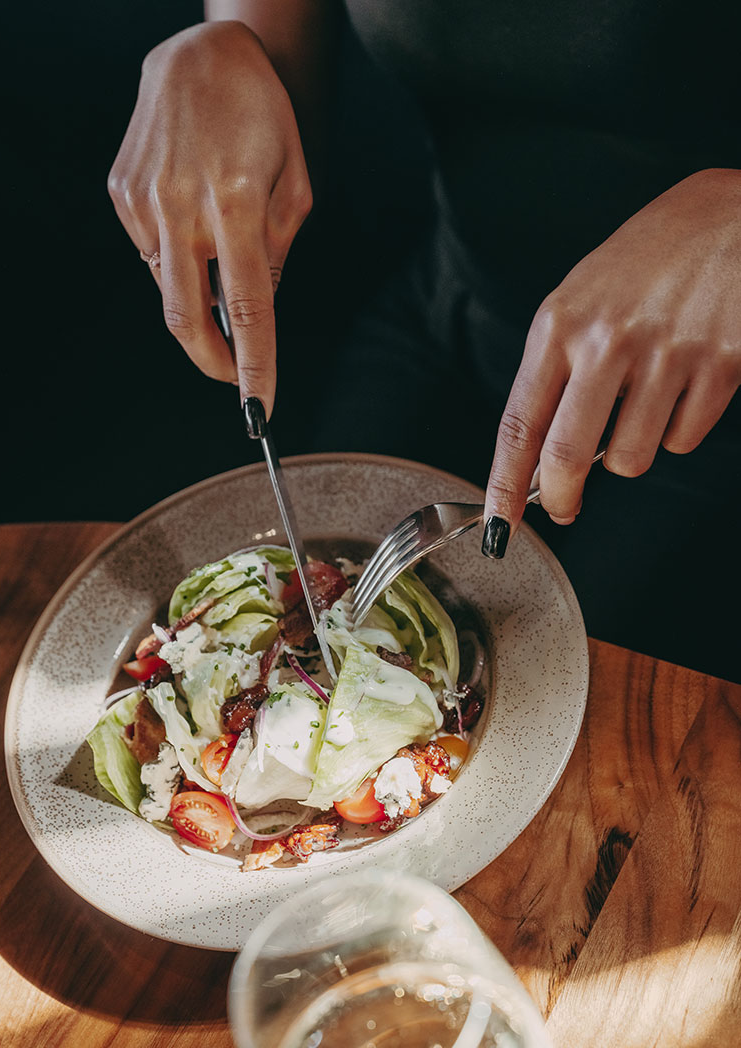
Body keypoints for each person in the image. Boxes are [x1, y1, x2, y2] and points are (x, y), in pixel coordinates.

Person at [107, 2, 741, 680]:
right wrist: (216, 53)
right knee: (283, 625)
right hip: (446, 311)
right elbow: (282, 133)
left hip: (699, 409)